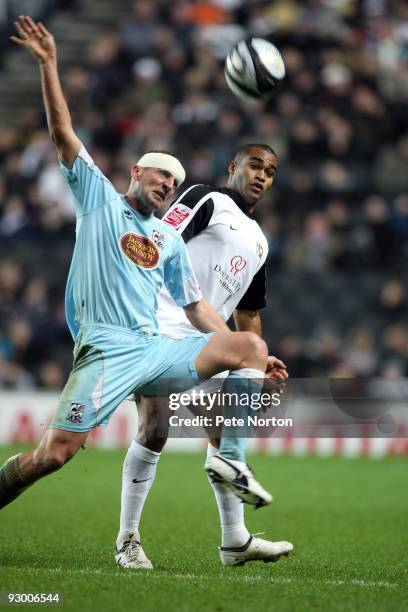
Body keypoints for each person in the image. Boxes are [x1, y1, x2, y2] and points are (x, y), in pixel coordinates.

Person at [0, 17, 292, 566]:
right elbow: (63, 135)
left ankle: (228, 488)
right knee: (54, 455)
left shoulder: (167, 239)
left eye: (172, 182)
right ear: (136, 171)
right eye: (159, 175)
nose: (165, 184)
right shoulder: (100, 201)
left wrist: (249, 354)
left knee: (245, 355)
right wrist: (48, 64)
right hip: (107, 349)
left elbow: (199, 305)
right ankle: (161, 530)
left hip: (157, 347)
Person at [116, 144, 294, 569]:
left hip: (209, 340)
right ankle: (127, 539)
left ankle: (235, 541)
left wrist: (257, 358)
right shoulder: (205, 198)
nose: (262, 176)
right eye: (255, 166)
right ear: (233, 167)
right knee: (155, 429)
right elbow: (161, 240)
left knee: (221, 436)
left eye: (270, 172)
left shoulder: (259, 243)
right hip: (160, 325)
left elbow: (248, 312)